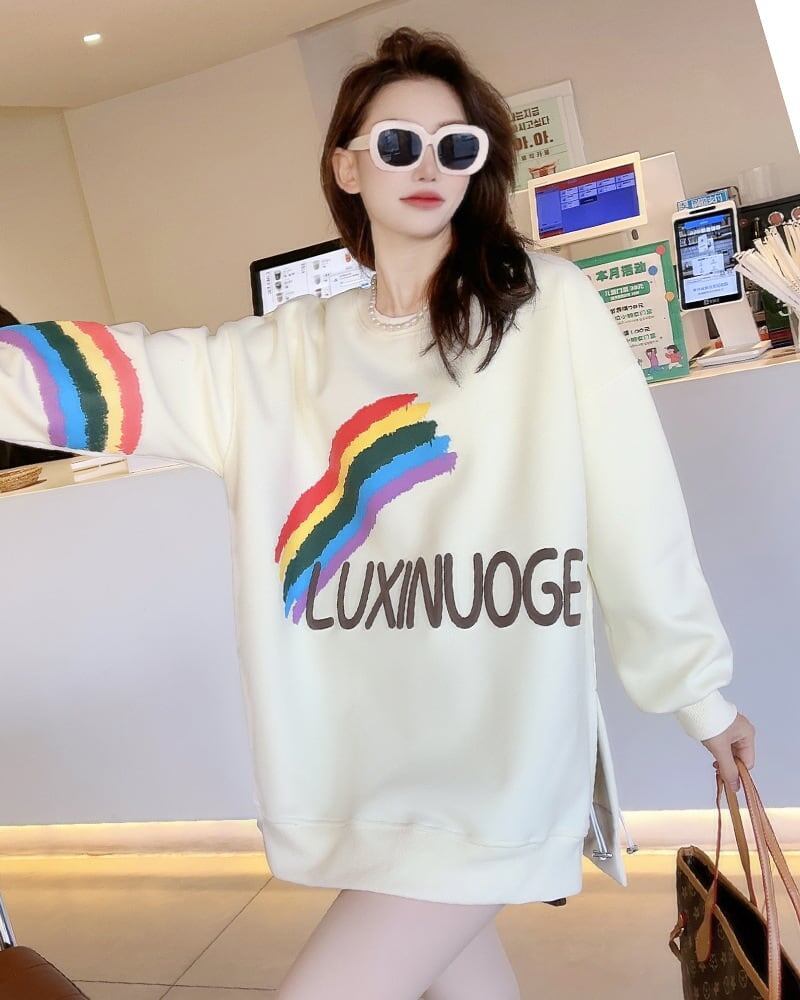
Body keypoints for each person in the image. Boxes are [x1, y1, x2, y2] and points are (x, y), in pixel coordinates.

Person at [0, 26, 756, 1000]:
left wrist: (700, 695)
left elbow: (634, 512)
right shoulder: (282, 355)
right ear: (347, 166)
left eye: (455, 146)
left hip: (496, 753)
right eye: (398, 144)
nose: (428, 167)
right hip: (372, 763)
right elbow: (114, 379)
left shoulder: (544, 310)